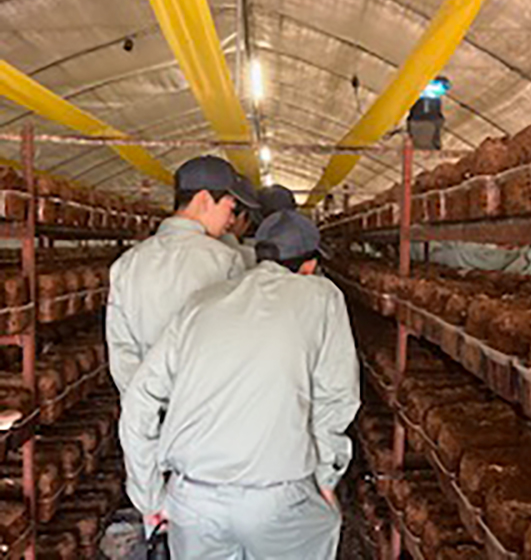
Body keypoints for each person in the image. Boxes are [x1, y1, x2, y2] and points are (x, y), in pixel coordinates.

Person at [119, 209, 360, 560]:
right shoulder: (322, 296)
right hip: (277, 496)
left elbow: (139, 400)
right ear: (309, 266)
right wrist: (325, 477)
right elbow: (337, 397)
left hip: (193, 497)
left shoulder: (202, 303)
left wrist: (149, 497)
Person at [106, 155, 259, 395]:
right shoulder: (225, 260)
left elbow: (122, 351)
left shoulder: (127, 263)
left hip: (146, 408)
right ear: (205, 199)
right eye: (230, 206)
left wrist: (145, 408)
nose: (231, 219)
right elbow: (232, 346)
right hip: (204, 408)